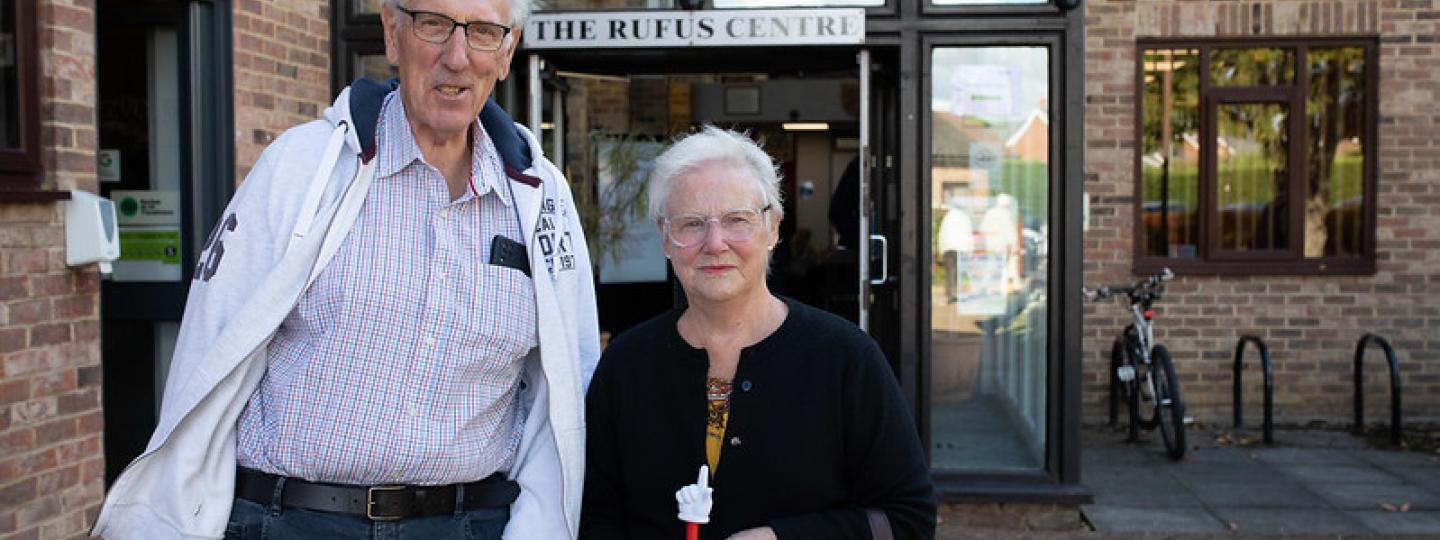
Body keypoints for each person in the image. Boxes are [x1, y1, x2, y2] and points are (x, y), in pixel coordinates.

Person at [92, 0, 599, 538]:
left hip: (467, 523)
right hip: (290, 521)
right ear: (391, 32)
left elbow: (565, 382)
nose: (457, 57)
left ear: (506, 51)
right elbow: (208, 352)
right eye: (433, 24)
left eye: (481, 32)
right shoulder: (304, 167)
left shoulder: (541, 199)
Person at [581, 127, 935, 540]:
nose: (715, 243)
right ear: (665, 237)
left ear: (773, 229)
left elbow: (909, 519)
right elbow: (596, 518)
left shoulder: (845, 359)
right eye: (692, 224)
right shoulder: (626, 365)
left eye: (737, 220)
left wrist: (781, 538)